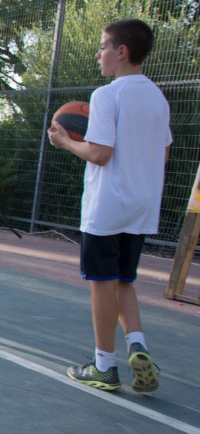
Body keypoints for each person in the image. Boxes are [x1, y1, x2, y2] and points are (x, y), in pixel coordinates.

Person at [47, 18, 171, 394]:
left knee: (102, 283)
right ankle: (138, 346)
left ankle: (104, 366)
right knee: (124, 280)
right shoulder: (157, 97)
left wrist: (64, 141)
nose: (98, 54)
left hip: (108, 204)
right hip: (141, 205)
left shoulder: (107, 95)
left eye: (102, 47)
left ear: (121, 52)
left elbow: (100, 153)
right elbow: (163, 154)